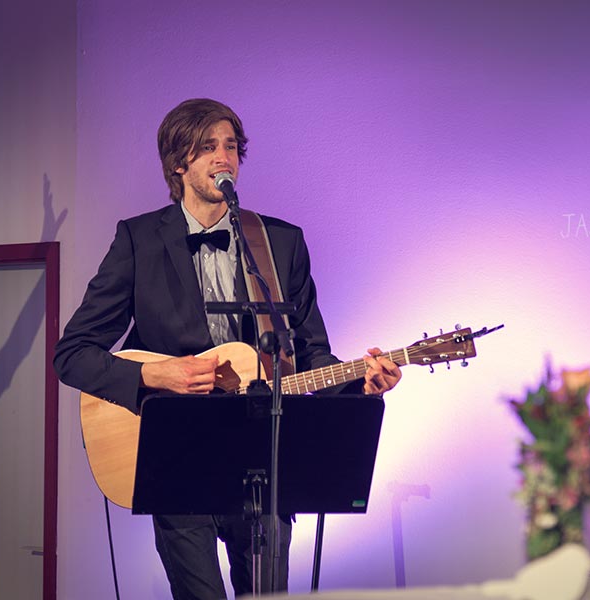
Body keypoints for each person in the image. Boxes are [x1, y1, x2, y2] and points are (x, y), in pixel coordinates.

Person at [54, 98, 402, 599]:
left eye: (232, 147)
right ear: (179, 163)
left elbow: (310, 355)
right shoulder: (139, 241)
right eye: (208, 147)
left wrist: (361, 381)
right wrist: (156, 376)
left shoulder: (279, 243)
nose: (225, 158)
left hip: (260, 458)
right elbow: (73, 353)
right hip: (176, 457)